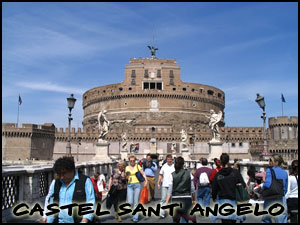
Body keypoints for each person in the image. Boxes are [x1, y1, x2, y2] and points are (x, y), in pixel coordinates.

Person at [43, 157, 95, 223]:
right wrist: (47, 217)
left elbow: (90, 201)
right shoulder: (56, 182)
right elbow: (50, 200)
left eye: (64, 173)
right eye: (59, 174)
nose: (61, 177)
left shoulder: (85, 181)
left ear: (72, 170)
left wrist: (85, 219)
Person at [212, 153, 246, 223]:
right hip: (234, 201)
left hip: (223, 202)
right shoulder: (235, 172)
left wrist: (213, 197)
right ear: (228, 161)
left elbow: (214, 189)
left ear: (221, 162)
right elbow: (244, 185)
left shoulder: (218, 175)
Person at [257, 154, 288, 223]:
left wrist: (261, 187)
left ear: (275, 162)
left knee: (266, 218)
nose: (269, 161)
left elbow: (268, 184)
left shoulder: (269, 170)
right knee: (281, 219)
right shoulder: (284, 172)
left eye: (270, 160)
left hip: (270, 198)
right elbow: (285, 189)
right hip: (281, 198)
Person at [165, 157, 196, 223]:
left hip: (175, 199)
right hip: (187, 199)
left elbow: (169, 190)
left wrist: (167, 202)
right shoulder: (188, 174)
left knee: (175, 220)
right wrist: (193, 199)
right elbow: (192, 188)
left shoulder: (172, 175)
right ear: (183, 164)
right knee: (185, 219)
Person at [125, 155, 148, 223]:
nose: (132, 162)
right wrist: (126, 177)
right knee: (130, 202)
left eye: (133, 160)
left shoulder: (138, 166)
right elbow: (126, 176)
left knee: (136, 202)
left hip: (137, 185)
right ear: (129, 161)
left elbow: (143, 173)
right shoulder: (127, 168)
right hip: (129, 185)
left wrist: (146, 180)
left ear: (135, 160)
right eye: (131, 160)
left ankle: (135, 217)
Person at [157, 154, 175, 219]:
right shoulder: (164, 166)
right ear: (166, 160)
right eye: (168, 159)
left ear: (172, 159)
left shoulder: (175, 166)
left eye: (170, 159)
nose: (169, 160)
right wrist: (158, 183)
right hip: (165, 184)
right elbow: (160, 175)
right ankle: (161, 213)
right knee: (163, 199)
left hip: (173, 185)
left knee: (172, 199)